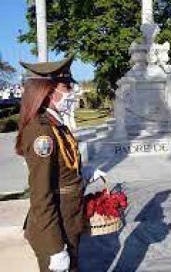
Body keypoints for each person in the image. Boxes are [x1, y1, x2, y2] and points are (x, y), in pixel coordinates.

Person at [15, 55, 84, 271]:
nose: (71, 93)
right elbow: (40, 193)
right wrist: (54, 247)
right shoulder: (41, 132)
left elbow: (63, 164)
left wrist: (82, 174)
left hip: (67, 221)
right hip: (54, 228)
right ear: (49, 90)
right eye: (67, 87)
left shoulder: (55, 124)